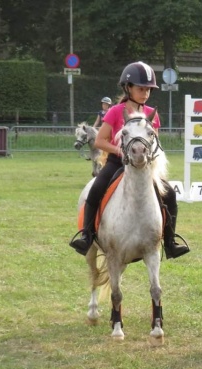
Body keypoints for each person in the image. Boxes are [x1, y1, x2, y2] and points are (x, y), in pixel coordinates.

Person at [70, 61, 189, 259]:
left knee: (169, 195)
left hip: (144, 166)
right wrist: (121, 151)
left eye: (148, 89)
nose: (145, 93)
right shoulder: (115, 111)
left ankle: (170, 242)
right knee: (95, 190)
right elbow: (100, 141)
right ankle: (87, 236)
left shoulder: (152, 113)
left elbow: (154, 141)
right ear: (128, 87)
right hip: (117, 163)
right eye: (141, 89)